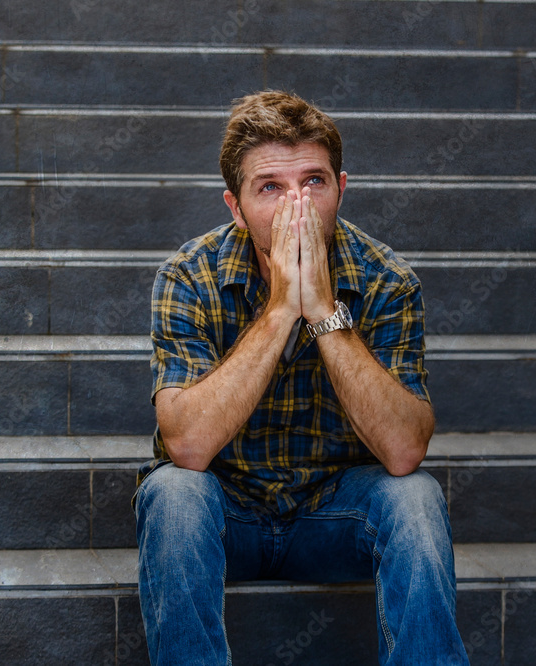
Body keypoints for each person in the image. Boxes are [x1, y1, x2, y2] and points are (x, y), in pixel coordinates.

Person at [133, 90, 469, 665]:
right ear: (235, 209)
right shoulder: (189, 276)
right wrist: (280, 310)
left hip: (334, 517)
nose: (298, 206)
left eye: (314, 181)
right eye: (270, 188)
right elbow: (186, 445)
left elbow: (405, 450)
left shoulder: (387, 280)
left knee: (415, 497)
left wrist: (323, 313)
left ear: (342, 187)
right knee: (172, 492)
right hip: (227, 514)